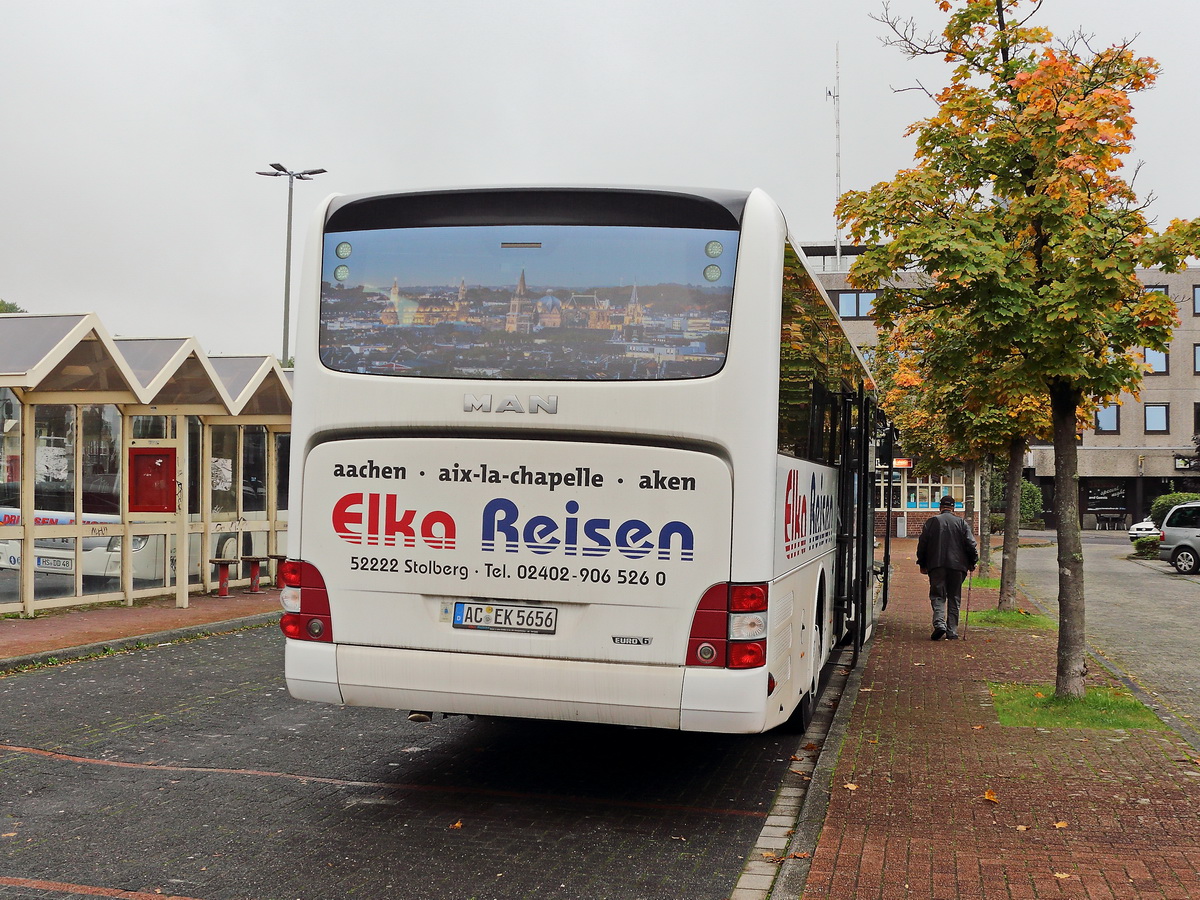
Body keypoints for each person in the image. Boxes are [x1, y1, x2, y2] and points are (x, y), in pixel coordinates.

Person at [916, 494, 978, 641]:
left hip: (936, 565)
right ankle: (952, 631)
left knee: (938, 594)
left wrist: (922, 563)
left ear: (940, 507)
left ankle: (939, 624)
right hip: (958, 566)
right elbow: (971, 544)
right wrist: (972, 561)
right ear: (953, 507)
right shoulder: (961, 523)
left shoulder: (932, 522)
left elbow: (922, 544)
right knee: (954, 596)